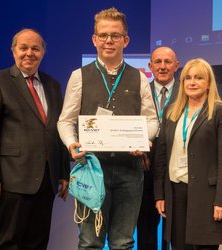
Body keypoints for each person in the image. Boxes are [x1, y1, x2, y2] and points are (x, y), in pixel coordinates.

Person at [57, 7, 158, 250]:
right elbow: (65, 120)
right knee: (90, 242)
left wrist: (144, 140)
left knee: (123, 243)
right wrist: (72, 144)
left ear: (126, 40)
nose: (109, 41)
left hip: (129, 170)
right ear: (94, 40)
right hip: (92, 167)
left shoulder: (140, 77)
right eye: (103, 35)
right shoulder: (79, 76)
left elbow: (152, 120)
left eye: (115, 35)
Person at [0, 28, 70, 249]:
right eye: (24, 48)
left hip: (47, 181)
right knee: (9, 243)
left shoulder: (53, 85)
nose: (29, 53)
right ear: (13, 51)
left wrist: (64, 172)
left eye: (35, 48)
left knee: (38, 243)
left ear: (43, 53)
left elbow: (59, 130)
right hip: (12, 180)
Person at [154, 58, 222, 250]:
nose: (192, 82)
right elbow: (161, 156)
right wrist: (160, 195)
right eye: (188, 78)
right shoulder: (171, 112)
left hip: (206, 196)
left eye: (199, 78)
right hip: (175, 194)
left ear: (208, 83)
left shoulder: (220, 111)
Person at [137, 46, 180, 250]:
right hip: (145, 168)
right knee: (146, 229)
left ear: (176, 66)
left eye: (168, 62)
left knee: (178, 231)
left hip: (176, 169)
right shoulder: (139, 91)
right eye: (158, 62)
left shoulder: (187, 91)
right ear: (150, 66)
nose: (162, 67)